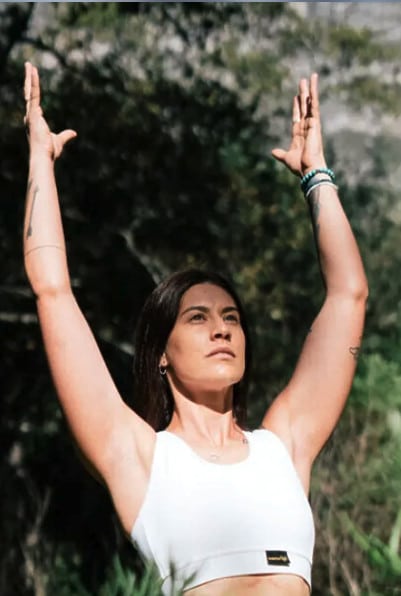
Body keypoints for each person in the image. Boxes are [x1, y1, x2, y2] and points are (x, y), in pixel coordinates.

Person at [23, 61, 368, 596]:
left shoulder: (286, 445)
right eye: (198, 318)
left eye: (231, 318)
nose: (222, 330)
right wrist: (40, 161)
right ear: (162, 352)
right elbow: (54, 291)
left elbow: (348, 294)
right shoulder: (137, 456)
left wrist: (315, 173)